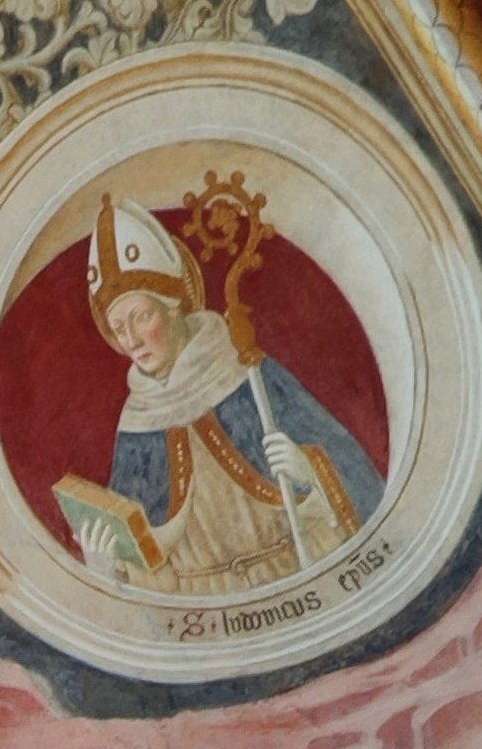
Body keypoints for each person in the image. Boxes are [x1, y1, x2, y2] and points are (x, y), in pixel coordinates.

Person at [55, 197, 381, 599]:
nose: (131, 340)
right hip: (207, 608)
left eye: (141, 317)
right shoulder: (138, 423)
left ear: (173, 308)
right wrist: (109, 566)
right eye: (118, 327)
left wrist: (309, 471)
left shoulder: (245, 370)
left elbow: (354, 476)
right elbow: (150, 569)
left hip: (297, 575)